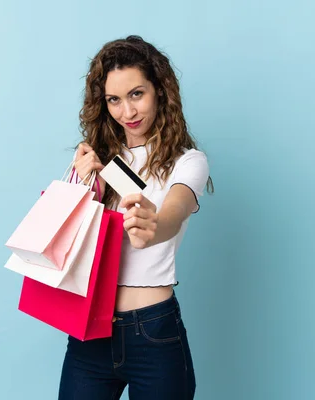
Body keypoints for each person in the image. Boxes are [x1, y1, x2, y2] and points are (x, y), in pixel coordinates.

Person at [58, 35, 213, 400]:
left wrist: (154, 225)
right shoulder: (95, 161)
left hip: (153, 331)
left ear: (160, 90)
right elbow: (64, 239)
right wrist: (78, 182)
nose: (127, 112)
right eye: (114, 99)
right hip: (89, 329)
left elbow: (174, 211)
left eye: (136, 94)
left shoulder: (187, 161)